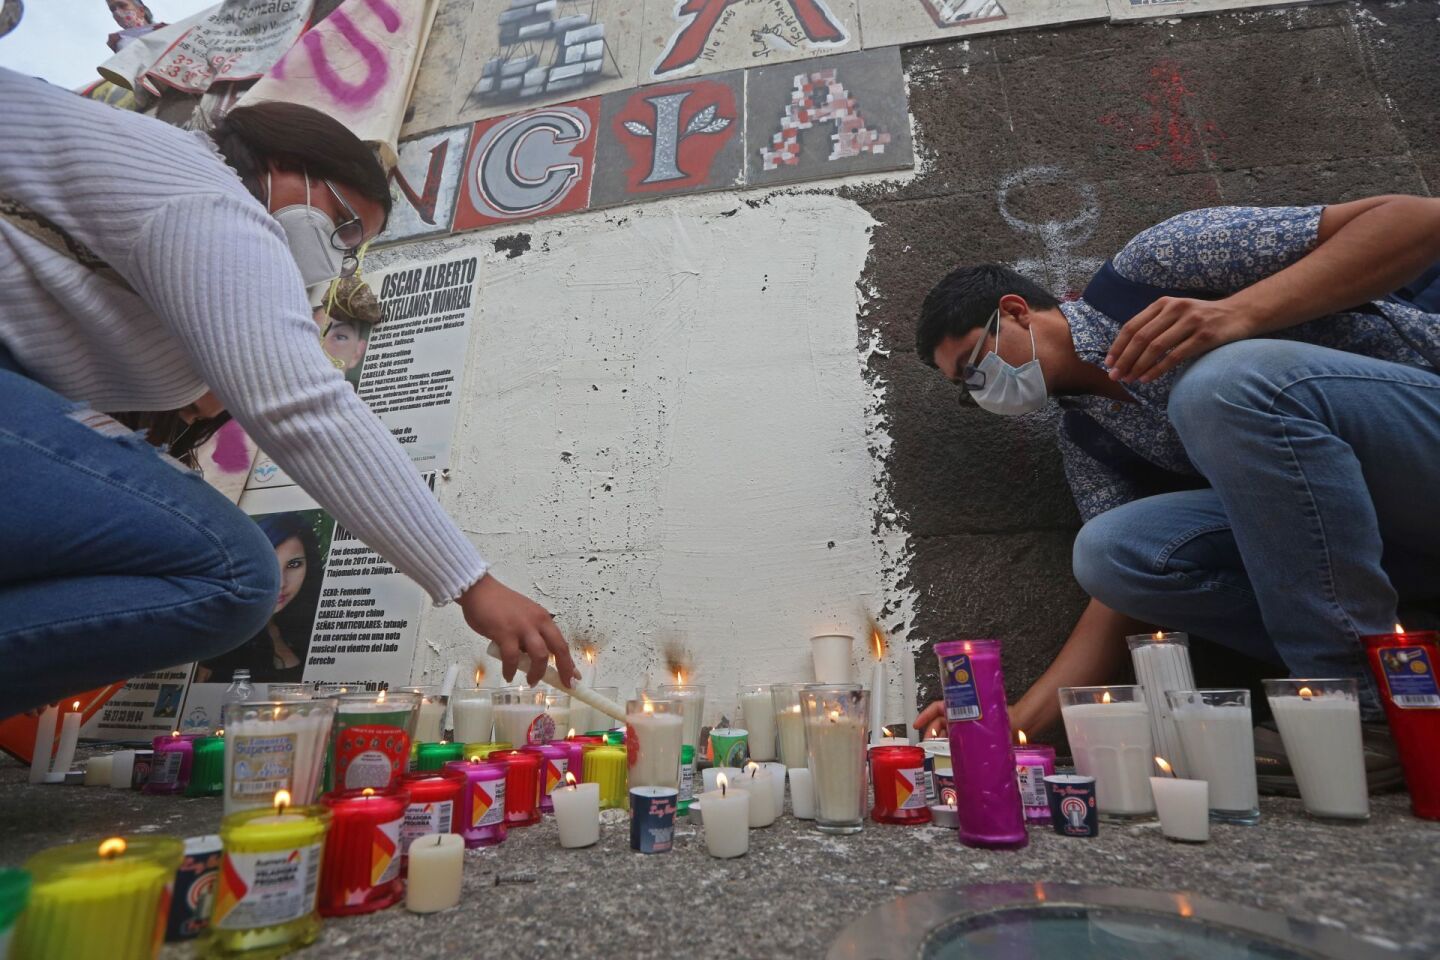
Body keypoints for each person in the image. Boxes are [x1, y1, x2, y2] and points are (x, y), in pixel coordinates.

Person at [0, 67, 576, 716]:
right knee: (235, 571)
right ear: (284, 165)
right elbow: (305, 408)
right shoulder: (215, 203)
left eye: (355, 249)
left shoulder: (169, 191)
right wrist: (472, 583)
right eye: (346, 223)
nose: (340, 253)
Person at [910, 196, 1440, 784]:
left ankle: (1355, 710)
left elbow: (1420, 219)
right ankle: (1407, 663)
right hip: (1375, 544)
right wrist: (1014, 726)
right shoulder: (1087, 437)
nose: (984, 393)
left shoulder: (1156, 264)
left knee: (1220, 385)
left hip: (1417, 442)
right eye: (969, 389)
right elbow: (1119, 602)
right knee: (1109, 551)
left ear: (1014, 312)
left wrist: (1238, 315)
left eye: (975, 367)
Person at [195, 513, 323, 684]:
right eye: (269, 564)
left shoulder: (307, 627)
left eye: (294, 565)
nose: (281, 583)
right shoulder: (215, 639)